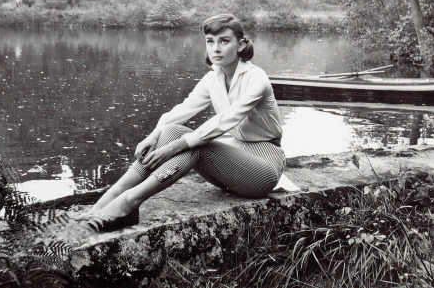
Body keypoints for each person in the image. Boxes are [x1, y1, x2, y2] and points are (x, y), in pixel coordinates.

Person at [77, 13, 284, 233]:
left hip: (264, 166)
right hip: (235, 158)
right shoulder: (212, 78)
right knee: (173, 129)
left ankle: (129, 201)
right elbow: (182, 111)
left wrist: (174, 147)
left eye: (224, 41)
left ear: (241, 44)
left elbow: (227, 119)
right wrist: (153, 136)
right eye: (210, 41)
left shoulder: (257, 78)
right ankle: (111, 196)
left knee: (192, 145)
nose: (216, 48)